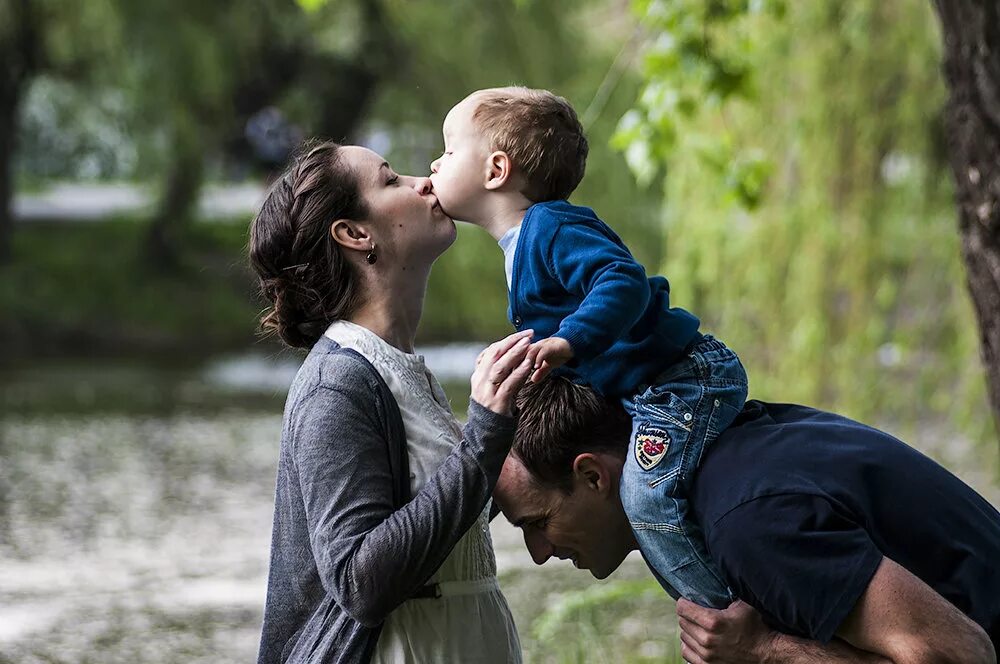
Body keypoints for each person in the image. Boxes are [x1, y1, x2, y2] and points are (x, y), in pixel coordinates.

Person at [429, 85, 745, 609]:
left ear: (495, 171)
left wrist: (569, 340)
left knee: (648, 498)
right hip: (650, 390)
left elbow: (622, 280)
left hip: (683, 379)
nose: (436, 164)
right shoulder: (526, 243)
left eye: (449, 151)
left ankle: (722, 615)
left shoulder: (549, 226)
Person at [249, 140, 534, 663]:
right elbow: (361, 580)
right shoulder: (336, 384)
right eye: (390, 180)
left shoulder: (396, 368)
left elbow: (444, 527)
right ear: (356, 234)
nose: (423, 181)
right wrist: (483, 438)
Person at [493, 377, 1000, 663]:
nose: (538, 553)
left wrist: (765, 649)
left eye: (536, 522)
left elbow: (963, 656)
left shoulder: (747, 523)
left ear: (593, 477)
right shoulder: (721, 455)